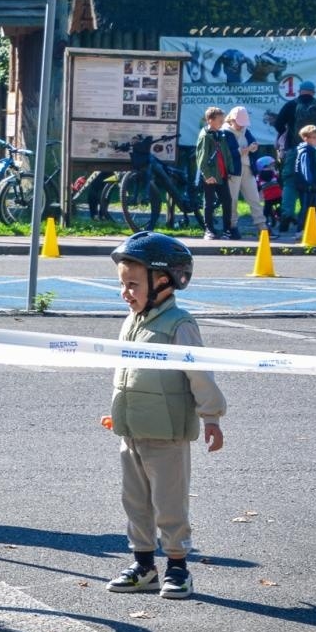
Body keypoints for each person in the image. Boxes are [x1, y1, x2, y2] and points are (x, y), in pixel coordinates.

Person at [101, 232, 226, 600]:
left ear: (163, 281)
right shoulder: (133, 320)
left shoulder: (178, 324)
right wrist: (119, 410)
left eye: (133, 285)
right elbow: (126, 372)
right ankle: (143, 566)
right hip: (132, 431)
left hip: (167, 435)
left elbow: (199, 374)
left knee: (169, 505)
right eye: (123, 285)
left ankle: (177, 568)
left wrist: (212, 417)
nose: (125, 293)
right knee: (135, 503)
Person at [273, 80, 316, 230]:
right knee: (312, 184)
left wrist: (287, 133)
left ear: (300, 91)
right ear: (313, 92)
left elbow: (278, 124)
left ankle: (286, 215)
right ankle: (313, 219)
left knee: (290, 183)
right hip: (314, 152)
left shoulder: (291, 105)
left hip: (293, 150)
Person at [225, 106, 269, 238]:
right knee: (232, 200)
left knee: (254, 198)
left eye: (243, 123)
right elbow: (229, 154)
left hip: (247, 168)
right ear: (232, 120)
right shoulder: (225, 132)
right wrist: (244, 150)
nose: (241, 126)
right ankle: (232, 226)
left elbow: (252, 142)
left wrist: (254, 147)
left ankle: (262, 226)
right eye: (239, 123)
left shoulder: (246, 130)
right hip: (233, 171)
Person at [194, 107, 236, 240]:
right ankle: (209, 230)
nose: (222, 122)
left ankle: (227, 230)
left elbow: (227, 153)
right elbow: (201, 158)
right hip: (211, 175)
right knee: (209, 202)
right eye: (220, 120)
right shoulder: (205, 136)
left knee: (227, 201)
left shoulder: (220, 134)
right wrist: (207, 175)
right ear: (210, 120)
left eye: (223, 120)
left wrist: (230, 170)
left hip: (222, 174)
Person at [291, 124, 316, 233]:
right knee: (306, 207)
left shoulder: (311, 150)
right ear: (306, 138)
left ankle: (314, 228)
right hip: (307, 186)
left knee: (313, 207)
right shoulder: (306, 150)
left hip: (311, 185)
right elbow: (305, 168)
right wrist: (310, 183)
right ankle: (301, 230)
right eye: (314, 137)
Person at [254, 156, 282, 228]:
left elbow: (258, 187)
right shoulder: (275, 174)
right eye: (272, 165)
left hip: (268, 198)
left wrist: (257, 194)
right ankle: (279, 216)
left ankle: (267, 223)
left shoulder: (258, 177)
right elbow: (280, 183)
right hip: (278, 196)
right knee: (281, 208)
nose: (273, 166)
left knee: (266, 212)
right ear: (265, 166)